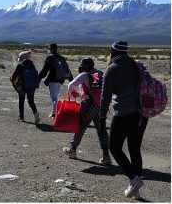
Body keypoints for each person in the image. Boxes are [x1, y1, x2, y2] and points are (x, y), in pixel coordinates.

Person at [100, 41, 147, 199]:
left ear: (112, 52)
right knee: (134, 149)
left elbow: (105, 96)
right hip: (141, 115)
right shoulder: (136, 66)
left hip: (123, 114)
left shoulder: (112, 69)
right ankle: (136, 191)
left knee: (114, 147)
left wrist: (101, 117)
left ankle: (134, 179)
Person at [62, 58, 111, 165]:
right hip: (100, 105)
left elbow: (71, 85)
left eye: (82, 64)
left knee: (80, 126)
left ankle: (73, 150)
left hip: (88, 105)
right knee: (101, 129)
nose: (80, 66)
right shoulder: (99, 73)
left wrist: (76, 93)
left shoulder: (85, 75)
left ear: (86, 66)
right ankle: (106, 156)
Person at [39, 43, 73, 118]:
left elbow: (45, 70)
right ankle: (56, 111)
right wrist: (71, 80)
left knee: (54, 97)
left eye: (49, 48)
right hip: (61, 80)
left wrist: (38, 78)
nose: (48, 50)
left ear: (53, 49)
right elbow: (67, 69)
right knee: (56, 95)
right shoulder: (61, 58)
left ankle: (54, 113)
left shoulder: (50, 58)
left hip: (53, 80)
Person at [10, 51, 40, 123]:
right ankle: (35, 113)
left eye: (20, 57)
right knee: (31, 101)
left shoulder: (21, 65)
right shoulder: (32, 65)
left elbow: (14, 75)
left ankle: (21, 117)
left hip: (23, 87)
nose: (19, 59)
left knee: (21, 101)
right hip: (32, 86)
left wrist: (13, 81)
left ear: (22, 58)